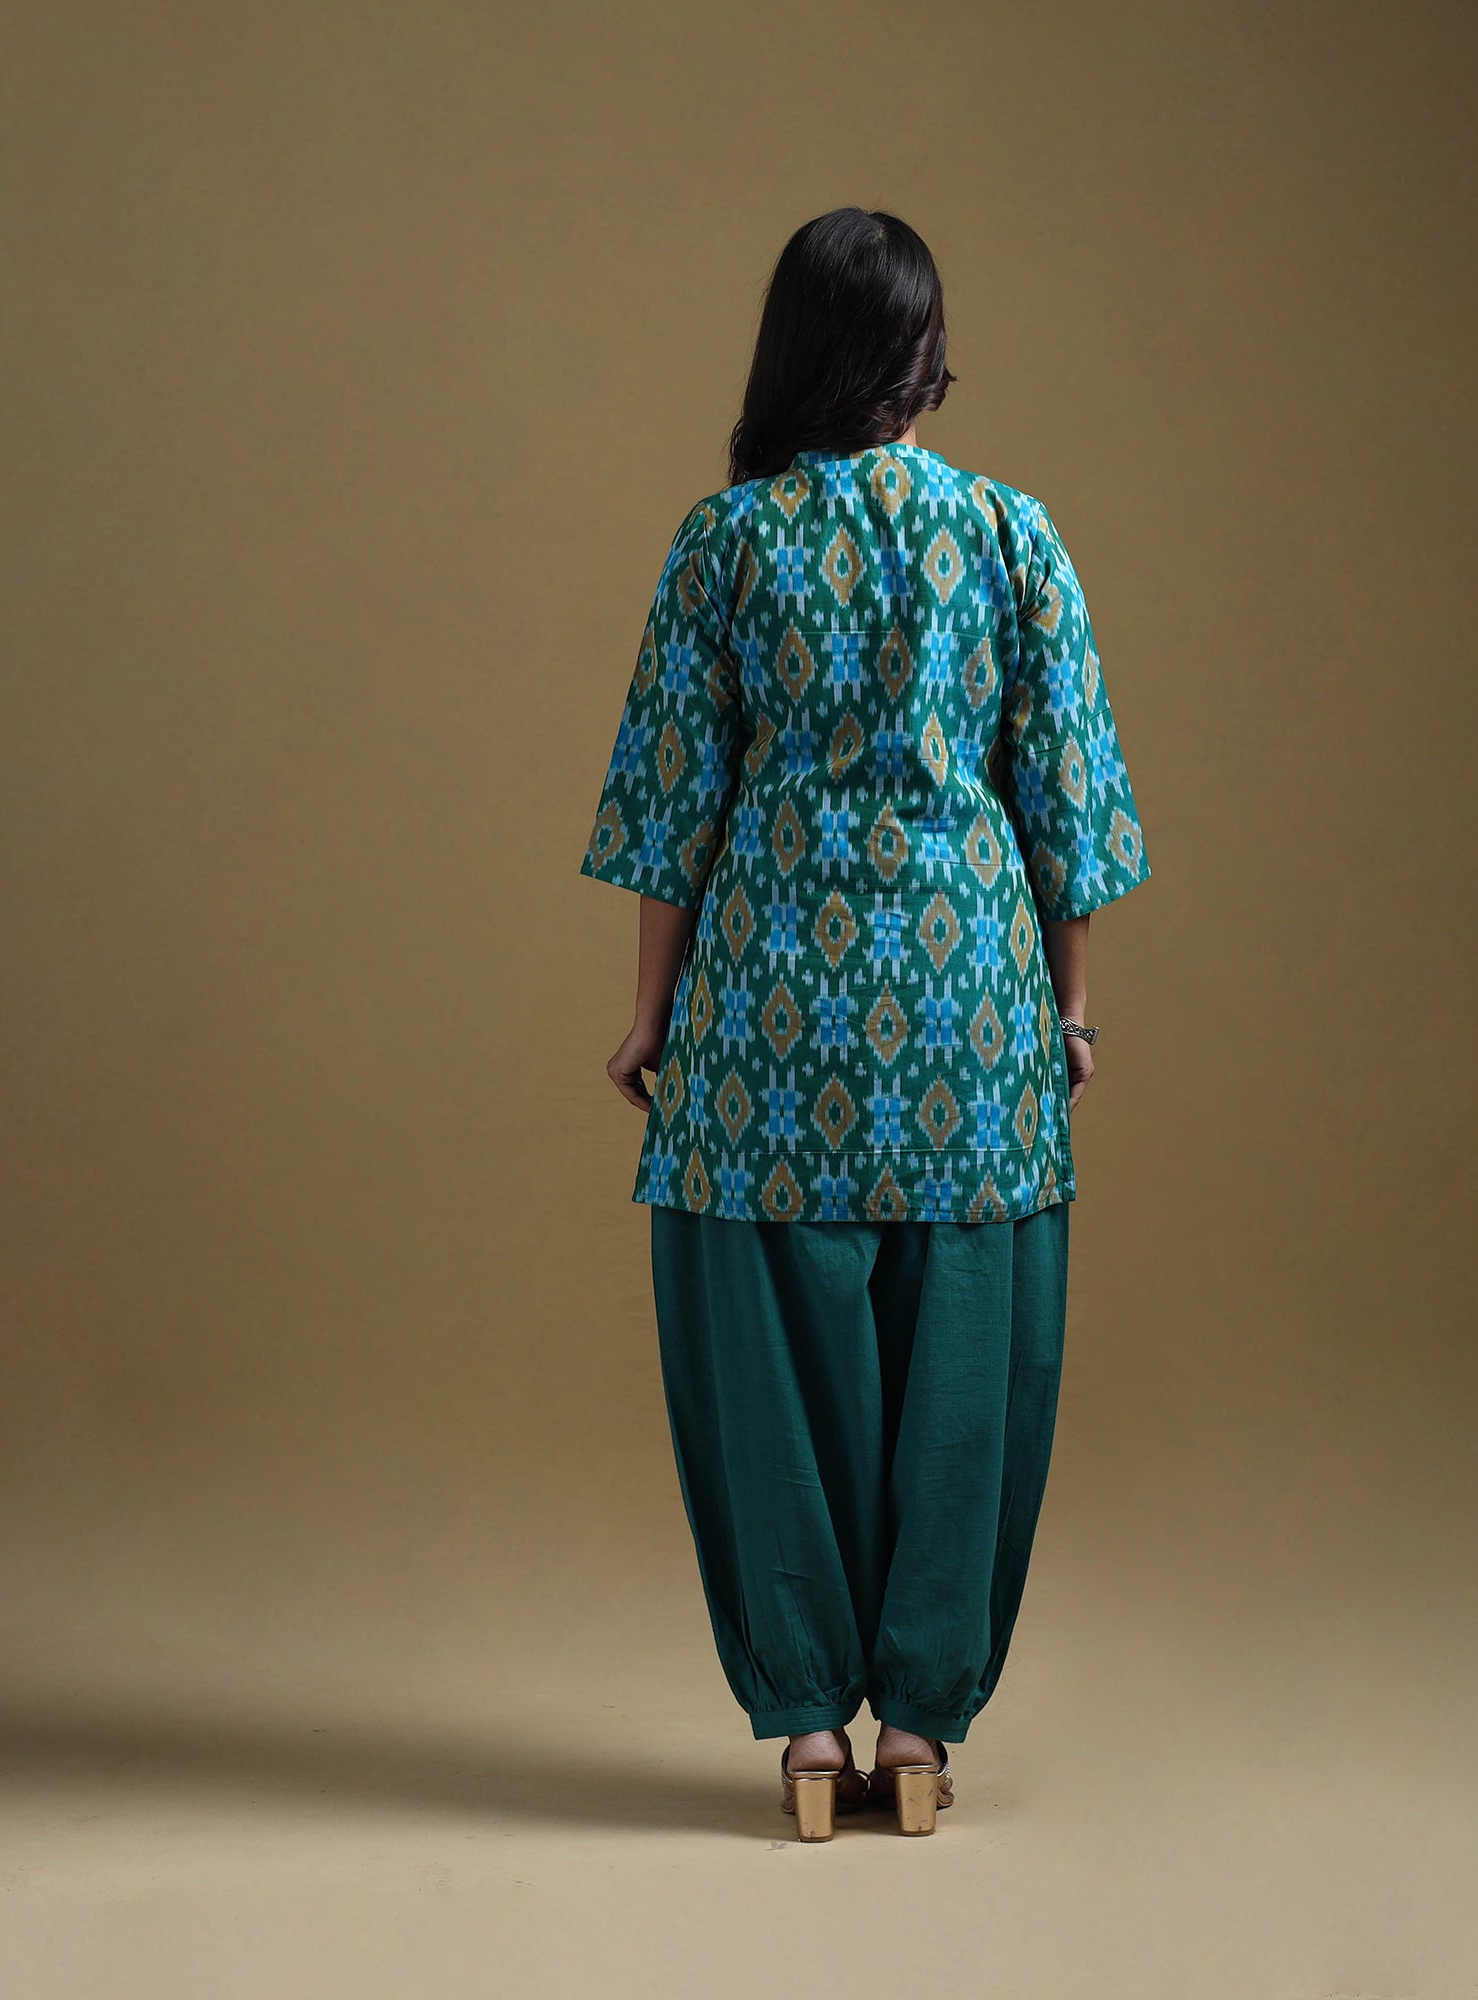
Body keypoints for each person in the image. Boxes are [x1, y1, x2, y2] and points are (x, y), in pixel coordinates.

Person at [579, 206, 1150, 1839]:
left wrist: (647, 1017)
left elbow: (671, 808)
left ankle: (809, 1737)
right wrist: (1072, 1011)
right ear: (924, 355)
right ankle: (918, 1731)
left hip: (772, 1010)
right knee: (967, 1363)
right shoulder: (1011, 535)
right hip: (970, 1012)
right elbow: (1067, 799)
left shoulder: (726, 543)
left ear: (794, 349)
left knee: (769, 1369)